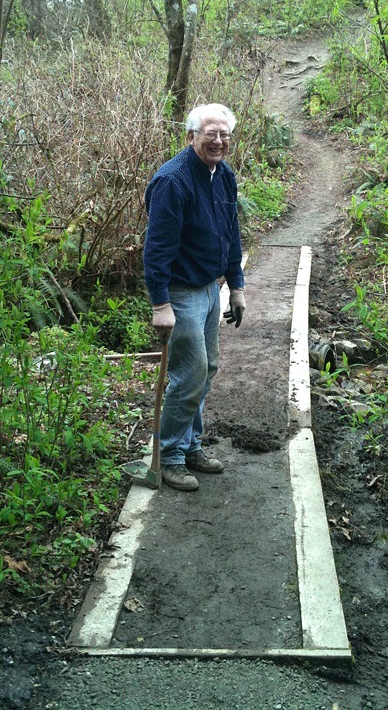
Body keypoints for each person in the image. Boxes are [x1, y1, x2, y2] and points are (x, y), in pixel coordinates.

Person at [143, 103, 246, 491]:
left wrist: (236, 286)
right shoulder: (173, 181)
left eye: (224, 135)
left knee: (208, 369)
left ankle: (190, 447)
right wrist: (160, 305)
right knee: (189, 375)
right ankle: (168, 457)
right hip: (181, 293)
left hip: (210, 289)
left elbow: (230, 235)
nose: (218, 141)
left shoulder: (224, 176)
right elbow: (156, 249)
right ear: (191, 137)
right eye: (210, 134)